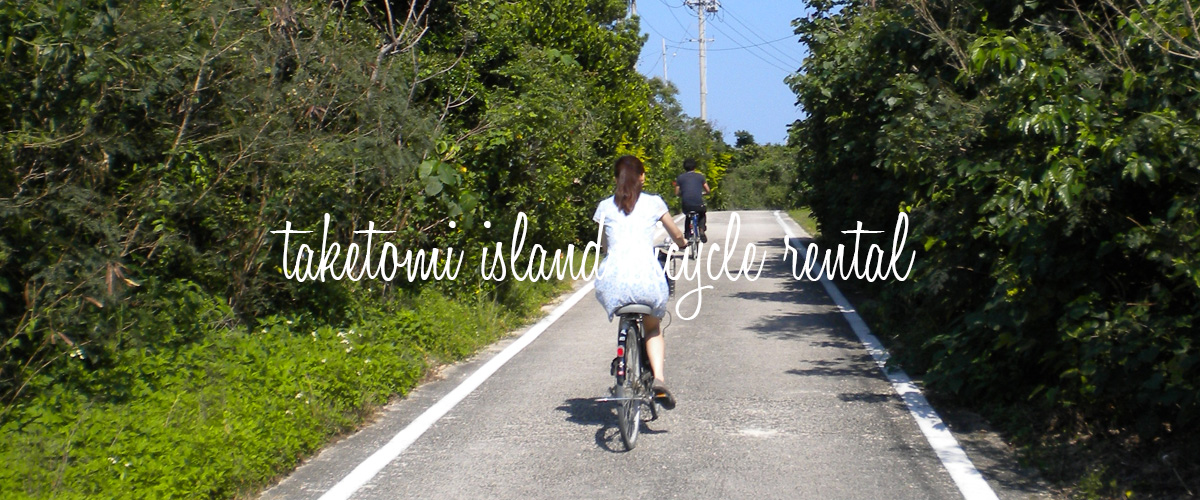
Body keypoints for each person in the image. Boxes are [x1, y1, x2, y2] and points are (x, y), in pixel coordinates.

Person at [593, 155, 688, 409]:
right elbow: (676, 233)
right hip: (646, 280)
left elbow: (605, 245)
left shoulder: (604, 207)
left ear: (616, 179)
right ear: (643, 177)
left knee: (625, 307)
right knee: (653, 328)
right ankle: (658, 379)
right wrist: (682, 243)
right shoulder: (654, 203)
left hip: (612, 281)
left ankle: (624, 357)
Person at [673, 158, 710, 243]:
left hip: (686, 204)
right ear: (695, 167)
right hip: (698, 204)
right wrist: (704, 193)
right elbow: (708, 190)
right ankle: (701, 229)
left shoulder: (680, 178)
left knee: (688, 215)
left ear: (684, 167)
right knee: (702, 213)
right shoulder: (700, 176)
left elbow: (676, 192)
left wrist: (682, 194)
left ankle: (687, 234)